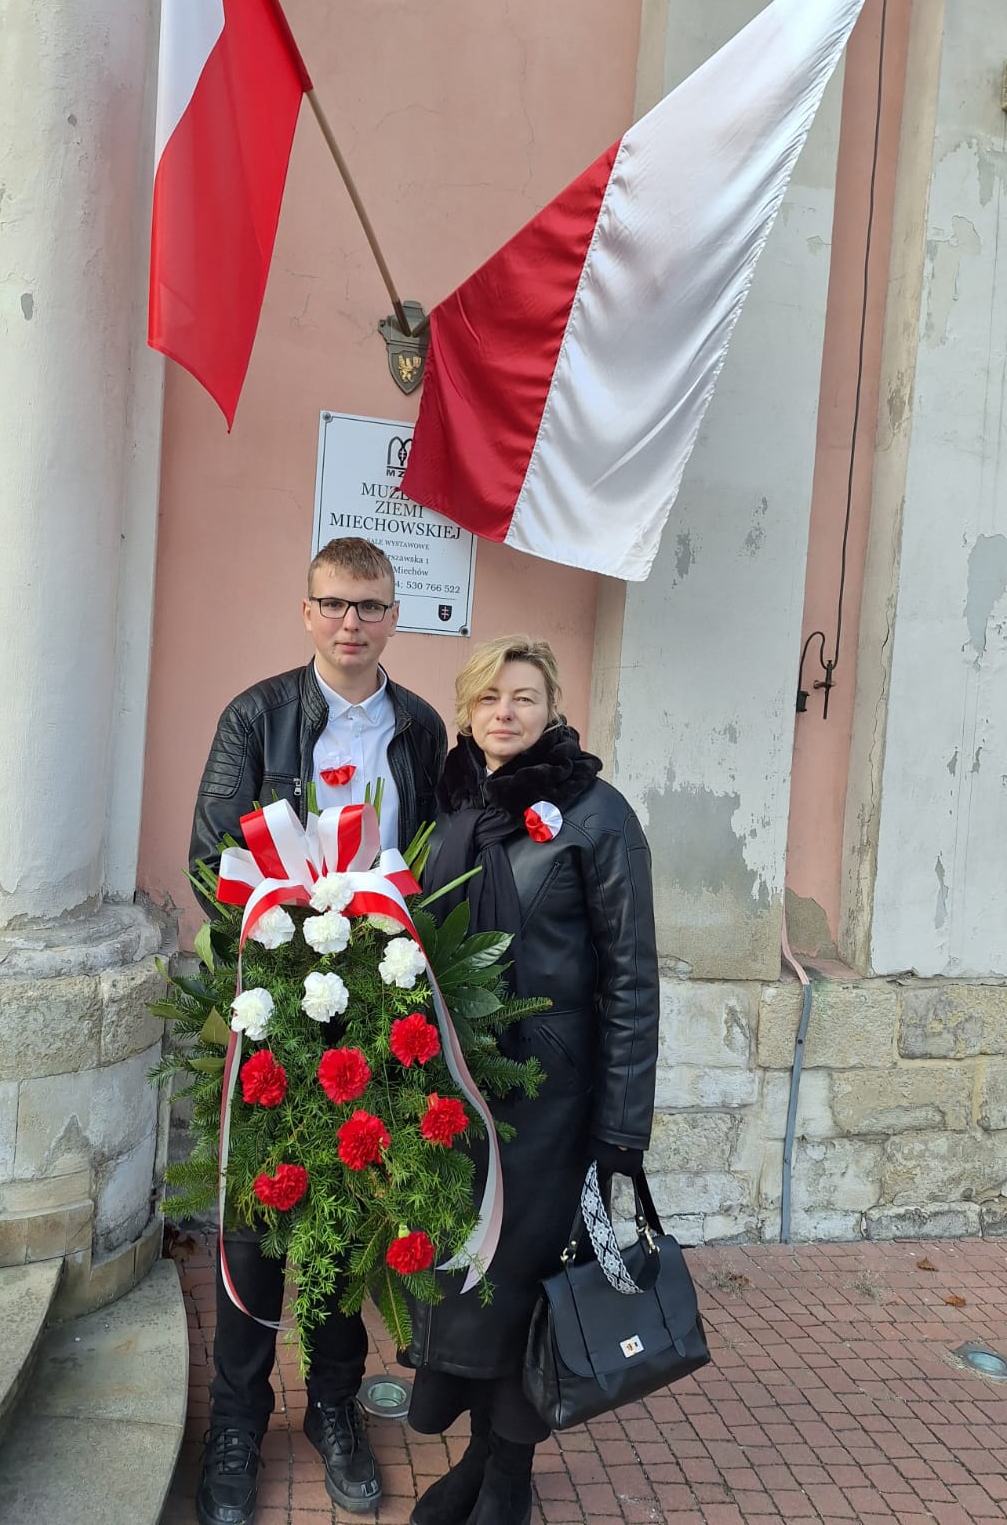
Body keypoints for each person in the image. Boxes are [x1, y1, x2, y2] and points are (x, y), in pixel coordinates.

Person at [189, 536, 448, 1525]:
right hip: (277, 1005)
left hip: (383, 1005)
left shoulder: (419, 730)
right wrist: (286, 961)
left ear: (393, 615)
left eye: (371, 605)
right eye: (335, 603)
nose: (352, 621)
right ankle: (237, 1421)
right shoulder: (257, 717)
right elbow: (214, 856)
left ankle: (334, 1405)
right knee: (261, 1213)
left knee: (348, 1204)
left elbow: (437, 860)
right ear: (307, 613)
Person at [405, 635, 660, 1525]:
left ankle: (505, 1478)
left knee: (527, 1291)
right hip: (454, 1099)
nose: (503, 713)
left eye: (523, 697)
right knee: (469, 1288)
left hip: (551, 1104)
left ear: (552, 705)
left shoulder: (597, 815)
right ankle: (482, 1457)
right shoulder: (450, 809)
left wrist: (622, 1131)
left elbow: (632, 979)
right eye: (487, 699)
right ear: (468, 710)